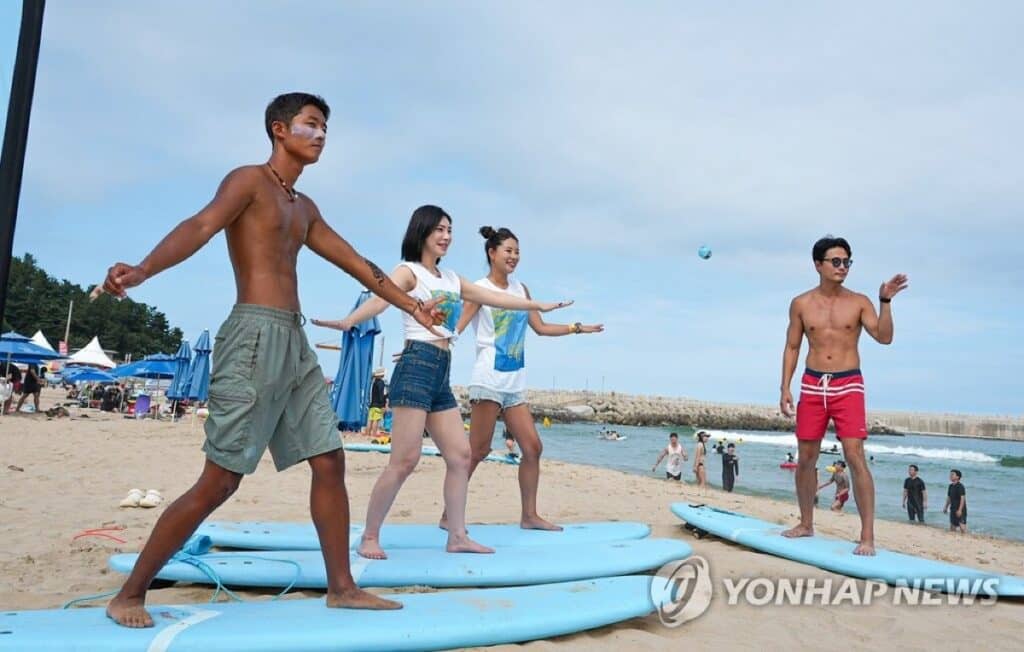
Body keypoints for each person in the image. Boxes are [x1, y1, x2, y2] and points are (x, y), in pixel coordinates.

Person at [96, 92, 447, 627]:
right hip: (253, 337)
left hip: (294, 341)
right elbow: (200, 225)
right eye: (311, 124)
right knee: (221, 481)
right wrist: (144, 269)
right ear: (280, 129)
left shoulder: (304, 208)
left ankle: (342, 588)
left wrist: (413, 306)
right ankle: (129, 594)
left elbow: (357, 263)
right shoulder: (249, 181)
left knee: (329, 459)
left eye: (325, 127)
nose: (321, 135)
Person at [312, 206, 571, 557]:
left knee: (461, 456)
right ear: (421, 232)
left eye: (449, 230)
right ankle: (370, 536)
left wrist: (538, 304)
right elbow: (379, 298)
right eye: (439, 229)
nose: (446, 236)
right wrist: (349, 321)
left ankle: (457, 536)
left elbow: (495, 297)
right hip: (416, 365)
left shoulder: (450, 278)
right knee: (405, 460)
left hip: (440, 371)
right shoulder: (410, 272)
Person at [450, 226, 601, 531]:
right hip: (487, 381)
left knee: (532, 448)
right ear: (492, 253)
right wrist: (428, 344)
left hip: (515, 385)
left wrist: (576, 328)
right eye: (508, 250)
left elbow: (540, 328)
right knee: (478, 451)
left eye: (517, 252)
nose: (514, 256)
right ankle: (448, 514)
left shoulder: (521, 289)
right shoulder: (479, 289)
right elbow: (457, 327)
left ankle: (529, 516)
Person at [779, 235, 908, 555]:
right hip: (812, 384)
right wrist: (785, 387)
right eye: (835, 261)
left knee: (855, 455)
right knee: (806, 458)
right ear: (818, 265)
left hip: (848, 384)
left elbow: (884, 337)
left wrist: (885, 302)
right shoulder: (801, 303)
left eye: (847, 262)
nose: (842, 267)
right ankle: (806, 523)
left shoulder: (860, 302)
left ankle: (867, 537)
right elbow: (793, 346)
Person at [944, 469, 967, 533]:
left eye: (952, 474)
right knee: (952, 526)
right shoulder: (950, 486)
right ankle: (954, 537)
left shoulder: (960, 486)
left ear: (957, 477)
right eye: (950, 474)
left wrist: (960, 510)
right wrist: (946, 507)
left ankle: (964, 537)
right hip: (953, 508)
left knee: (962, 527)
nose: (950, 476)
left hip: (960, 509)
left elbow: (962, 499)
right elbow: (949, 498)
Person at [366, 368, 387, 438]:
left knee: (370, 420)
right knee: (376, 420)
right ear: (382, 375)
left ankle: (367, 434)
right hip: (378, 405)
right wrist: (383, 405)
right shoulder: (381, 383)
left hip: (372, 404)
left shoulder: (374, 382)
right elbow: (381, 395)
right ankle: (373, 435)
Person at [693, 431, 709, 495]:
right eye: (706, 436)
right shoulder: (700, 445)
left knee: (700, 482)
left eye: (707, 436)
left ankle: (699, 493)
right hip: (700, 465)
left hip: (699, 465)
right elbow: (698, 456)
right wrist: (695, 466)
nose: (707, 438)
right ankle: (700, 493)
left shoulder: (700, 444)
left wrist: (695, 466)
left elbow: (697, 456)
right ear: (702, 437)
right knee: (702, 482)